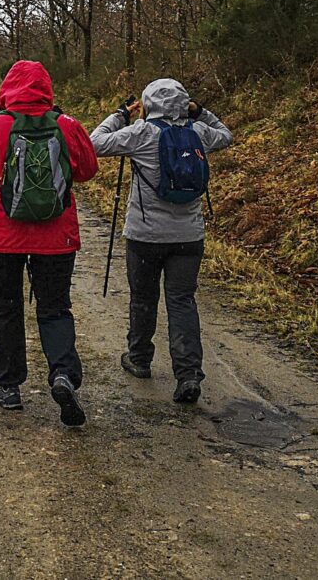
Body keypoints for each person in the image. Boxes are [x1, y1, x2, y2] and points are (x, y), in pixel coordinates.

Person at [0, 60, 97, 427]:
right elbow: (87, 171)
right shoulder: (67, 126)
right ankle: (63, 375)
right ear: (47, 88)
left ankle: (8, 387)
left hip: (3, 238)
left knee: (5, 308)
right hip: (57, 236)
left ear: (7, 89)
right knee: (55, 308)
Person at [90, 79, 233, 403]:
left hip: (145, 236)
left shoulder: (140, 134)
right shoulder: (198, 133)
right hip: (189, 236)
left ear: (148, 103)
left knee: (143, 297)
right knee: (182, 301)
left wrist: (120, 115)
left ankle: (139, 359)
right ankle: (188, 375)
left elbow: (94, 143)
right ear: (184, 104)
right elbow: (226, 135)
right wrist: (201, 113)